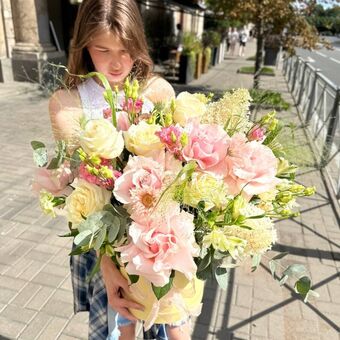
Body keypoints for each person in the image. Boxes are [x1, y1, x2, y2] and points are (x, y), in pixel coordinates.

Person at [49, 1, 199, 339]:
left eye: (126, 49)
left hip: (160, 241)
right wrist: (107, 265)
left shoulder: (158, 92)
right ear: (84, 44)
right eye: (102, 49)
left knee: (173, 325)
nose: (117, 62)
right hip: (104, 243)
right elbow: (81, 199)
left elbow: (177, 174)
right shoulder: (68, 104)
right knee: (117, 330)